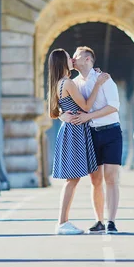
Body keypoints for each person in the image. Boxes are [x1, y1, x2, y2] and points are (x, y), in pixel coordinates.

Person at [48, 48, 110, 235]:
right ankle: (62, 222)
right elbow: (86, 106)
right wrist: (98, 84)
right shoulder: (68, 83)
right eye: (69, 58)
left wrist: (62, 116)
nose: (72, 60)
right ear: (62, 62)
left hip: (70, 130)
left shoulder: (58, 83)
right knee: (72, 180)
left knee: (72, 180)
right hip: (75, 132)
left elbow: (56, 111)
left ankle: (63, 222)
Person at [61, 46, 123, 234]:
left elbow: (114, 106)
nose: (72, 58)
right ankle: (99, 221)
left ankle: (111, 222)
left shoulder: (104, 79)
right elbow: (64, 104)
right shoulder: (74, 83)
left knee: (111, 178)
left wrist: (89, 116)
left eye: (76, 56)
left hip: (111, 132)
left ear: (88, 59)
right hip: (90, 134)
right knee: (95, 180)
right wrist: (62, 116)